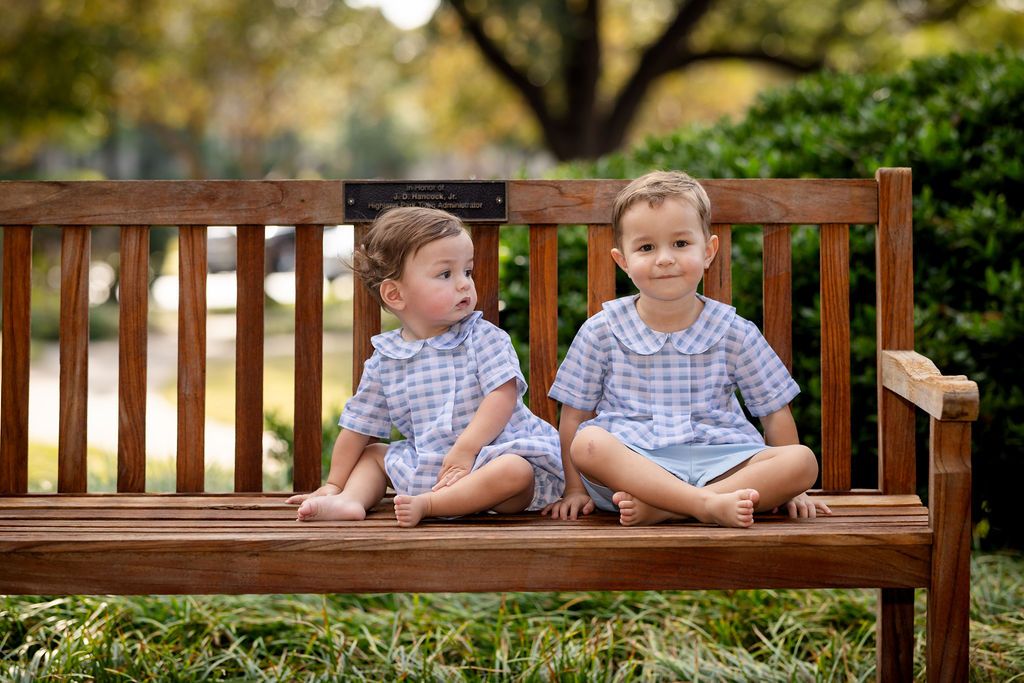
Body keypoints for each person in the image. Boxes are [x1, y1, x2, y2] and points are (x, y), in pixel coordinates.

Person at [542, 170, 831, 528]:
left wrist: (792, 489)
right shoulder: (602, 331)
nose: (665, 258)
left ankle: (669, 508)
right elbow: (574, 417)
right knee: (589, 444)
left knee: (801, 462)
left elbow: (775, 413)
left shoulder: (734, 332)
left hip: (723, 461)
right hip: (636, 470)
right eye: (646, 247)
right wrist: (575, 490)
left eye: (680, 244)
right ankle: (703, 504)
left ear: (708, 251)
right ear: (623, 261)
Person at [287, 206, 564, 527]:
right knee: (374, 455)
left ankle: (430, 505)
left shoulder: (484, 337)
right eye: (446, 274)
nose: (464, 284)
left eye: (468, 272)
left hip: (491, 456)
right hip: (430, 464)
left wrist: (466, 451)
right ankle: (349, 500)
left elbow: (501, 397)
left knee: (515, 471)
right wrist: (334, 483)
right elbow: (357, 426)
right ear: (395, 294)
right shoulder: (387, 359)